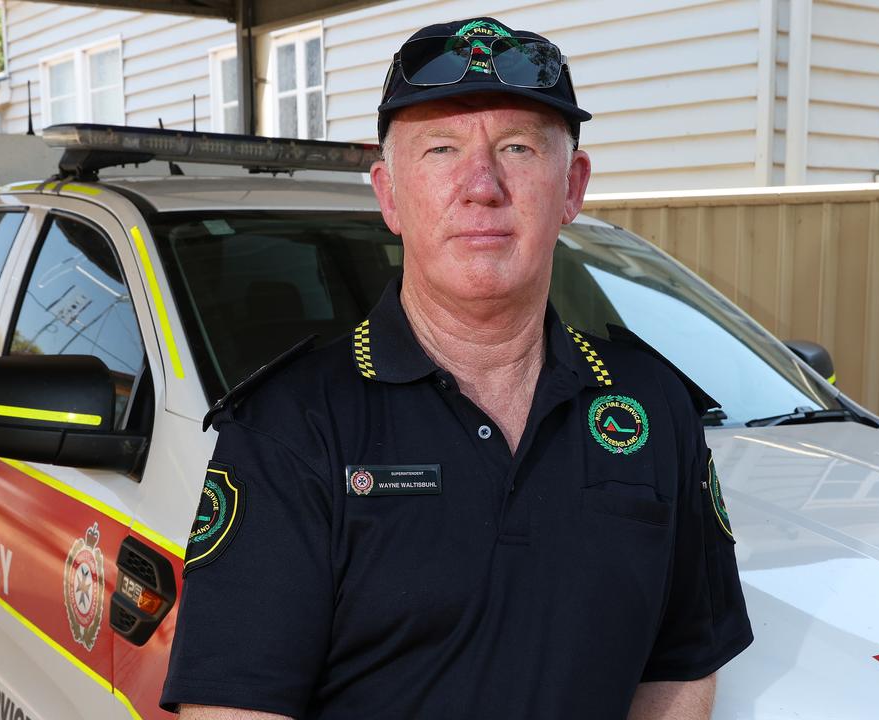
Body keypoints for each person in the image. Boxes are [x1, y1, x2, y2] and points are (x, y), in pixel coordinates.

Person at [161, 16, 752, 720]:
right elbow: (234, 709)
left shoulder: (652, 408)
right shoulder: (293, 428)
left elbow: (682, 664)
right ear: (388, 195)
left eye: (518, 148)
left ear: (572, 189)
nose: (482, 185)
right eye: (441, 148)